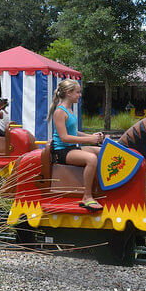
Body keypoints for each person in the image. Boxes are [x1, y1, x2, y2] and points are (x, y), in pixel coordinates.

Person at [49, 79, 105, 211]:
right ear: (69, 93)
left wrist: (92, 137)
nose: (80, 95)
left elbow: (74, 132)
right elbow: (64, 137)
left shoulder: (69, 110)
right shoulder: (59, 112)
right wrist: (89, 140)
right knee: (91, 159)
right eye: (78, 92)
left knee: (100, 151)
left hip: (71, 148)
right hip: (62, 151)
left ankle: (100, 188)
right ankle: (87, 196)